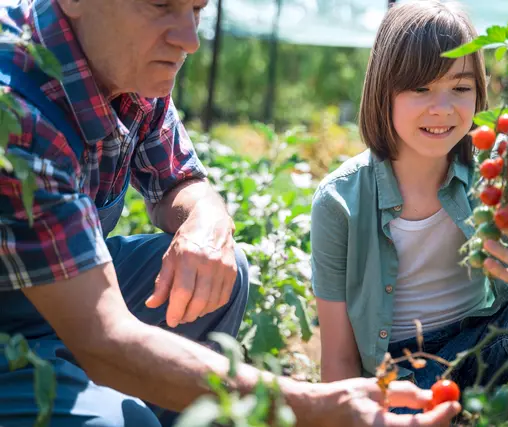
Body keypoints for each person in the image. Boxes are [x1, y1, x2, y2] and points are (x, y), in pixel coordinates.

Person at [0, 0, 463, 426]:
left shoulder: (121, 64)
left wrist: (206, 221)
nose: (189, 38)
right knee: (123, 420)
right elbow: (103, 340)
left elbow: (181, 181)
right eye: (161, 4)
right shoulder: (16, 109)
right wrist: (312, 406)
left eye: (196, 8)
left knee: (221, 273)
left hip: (51, 298)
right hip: (24, 328)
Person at [311, 0, 508, 418]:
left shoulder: (490, 171)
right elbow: (337, 356)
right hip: (402, 374)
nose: (442, 108)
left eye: (460, 88)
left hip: (490, 342)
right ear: (382, 90)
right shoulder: (340, 201)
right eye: (421, 88)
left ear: (478, 92)